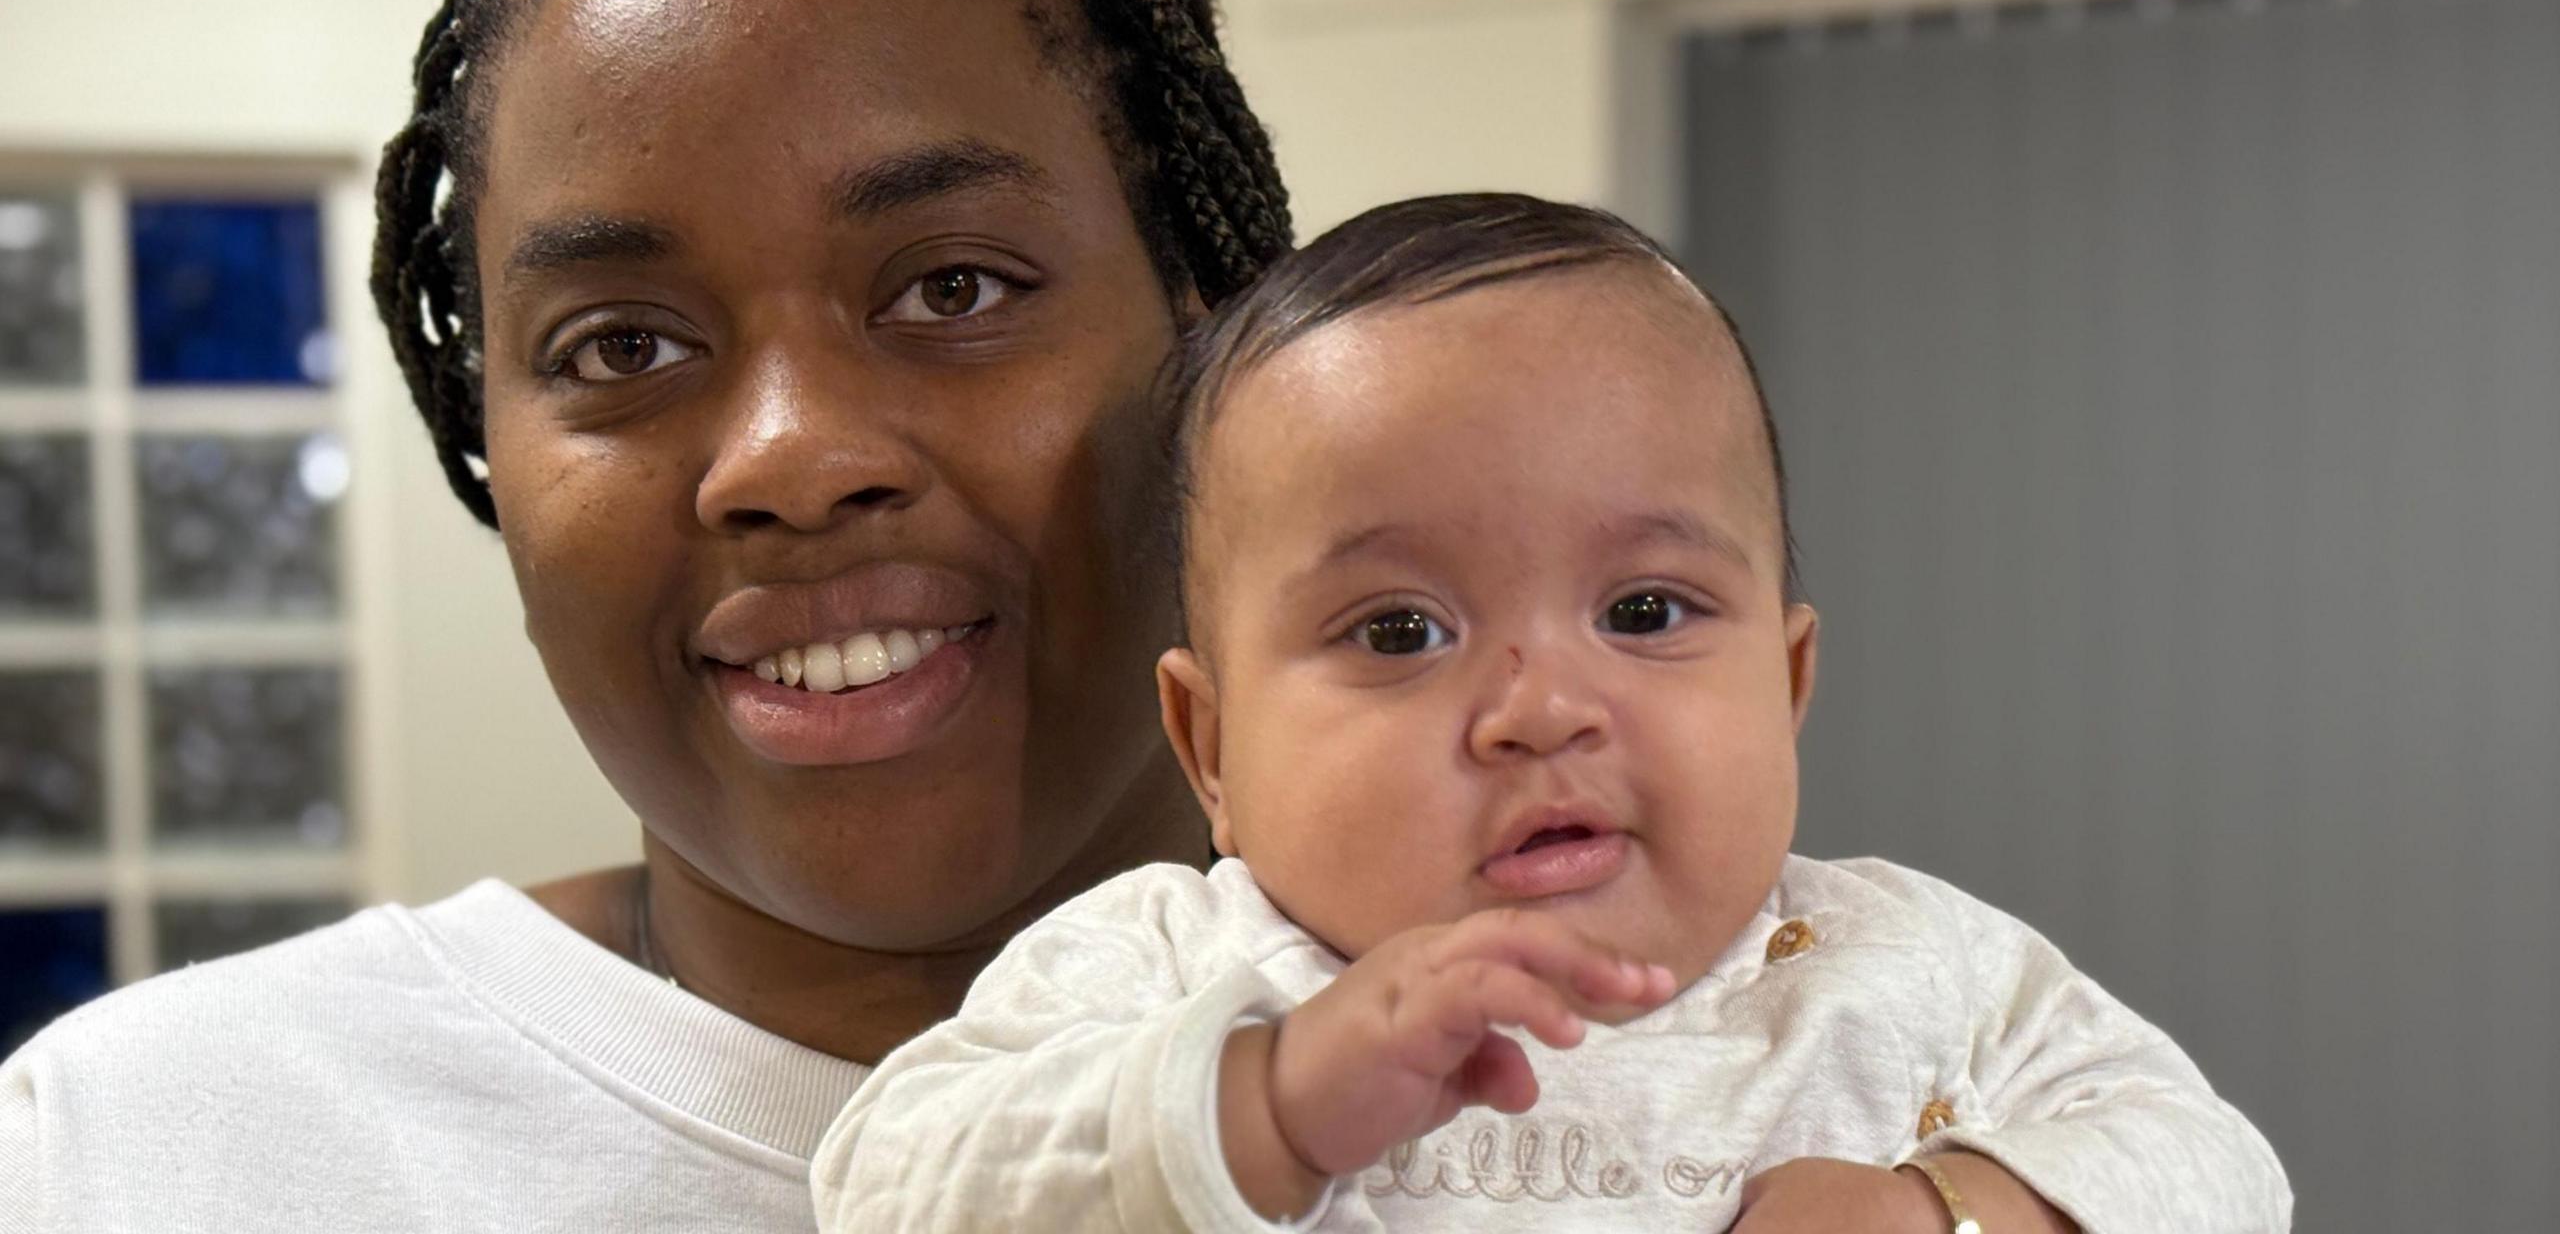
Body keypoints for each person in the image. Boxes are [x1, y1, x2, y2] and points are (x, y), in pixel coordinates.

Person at [0, 0, 1291, 1228]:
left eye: (953, 288)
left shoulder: (1557, 1094)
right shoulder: (148, 1155)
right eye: (623, 348)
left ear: (1220, 327)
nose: (792, 461)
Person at [814, 194, 2295, 1232]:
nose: (1540, 711)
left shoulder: (1915, 971)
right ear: (1213, 752)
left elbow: (2214, 1169)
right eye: (1400, 630)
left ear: (1786, 687)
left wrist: (1950, 1210)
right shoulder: (1167, 968)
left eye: (1644, 612)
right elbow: (887, 1188)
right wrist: (1269, 1101)